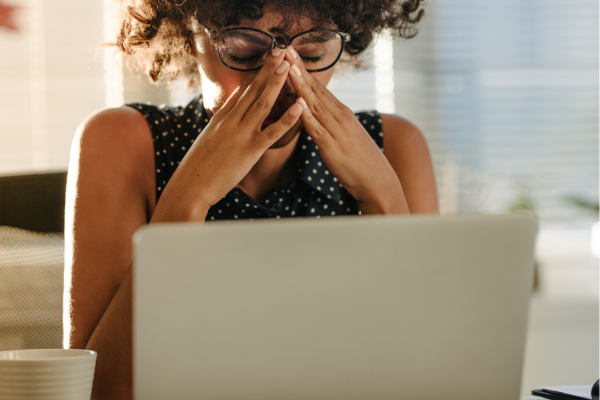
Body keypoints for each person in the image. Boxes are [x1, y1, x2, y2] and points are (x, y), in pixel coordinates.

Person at [64, 0, 437, 398]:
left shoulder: (394, 147)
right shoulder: (122, 142)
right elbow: (97, 389)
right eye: (244, 50)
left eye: (311, 53)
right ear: (192, 39)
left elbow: (434, 372)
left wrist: (384, 200)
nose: (284, 78)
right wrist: (191, 195)